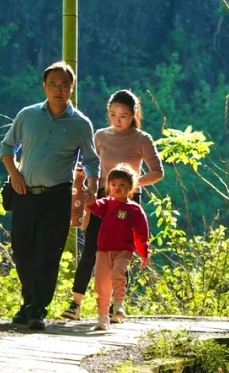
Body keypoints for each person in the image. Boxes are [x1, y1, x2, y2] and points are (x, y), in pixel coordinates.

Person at [0, 62, 99, 328]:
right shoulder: (28, 115)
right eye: (53, 84)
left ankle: (38, 309)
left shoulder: (81, 124)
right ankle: (28, 301)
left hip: (57, 196)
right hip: (24, 193)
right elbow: (7, 147)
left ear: (72, 87)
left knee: (48, 253)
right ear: (45, 86)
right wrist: (15, 175)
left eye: (64, 85)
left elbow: (91, 160)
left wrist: (92, 183)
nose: (59, 90)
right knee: (22, 251)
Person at [61, 88, 163, 322]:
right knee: (91, 250)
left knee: (120, 252)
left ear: (134, 114)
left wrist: (132, 185)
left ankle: (117, 306)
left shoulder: (142, 139)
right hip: (101, 199)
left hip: (128, 202)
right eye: (114, 115)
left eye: (124, 116)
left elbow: (157, 172)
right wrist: (87, 188)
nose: (118, 120)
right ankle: (76, 304)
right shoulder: (100, 136)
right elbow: (89, 165)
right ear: (108, 114)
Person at [89, 164, 150, 331]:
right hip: (103, 250)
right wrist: (84, 189)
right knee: (102, 284)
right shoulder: (107, 204)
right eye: (113, 184)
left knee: (118, 273)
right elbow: (93, 206)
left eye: (122, 185)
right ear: (108, 186)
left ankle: (119, 304)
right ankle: (103, 318)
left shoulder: (134, 209)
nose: (117, 188)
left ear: (130, 188)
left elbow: (141, 233)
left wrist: (144, 252)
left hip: (124, 250)